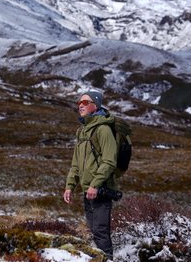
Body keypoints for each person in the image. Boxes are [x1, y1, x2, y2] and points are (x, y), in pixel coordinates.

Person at [63, 90, 117, 260]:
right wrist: (70, 186)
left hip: (100, 190)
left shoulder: (103, 129)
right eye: (79, 102)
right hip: (88, 191)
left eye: (85, 102)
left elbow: (109, 161)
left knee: (101, 233)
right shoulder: (82, 131)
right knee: (94, 231)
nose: (80, 105)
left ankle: (107, 259)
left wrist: (95, 184)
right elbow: (76, 163)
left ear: (96, 105)